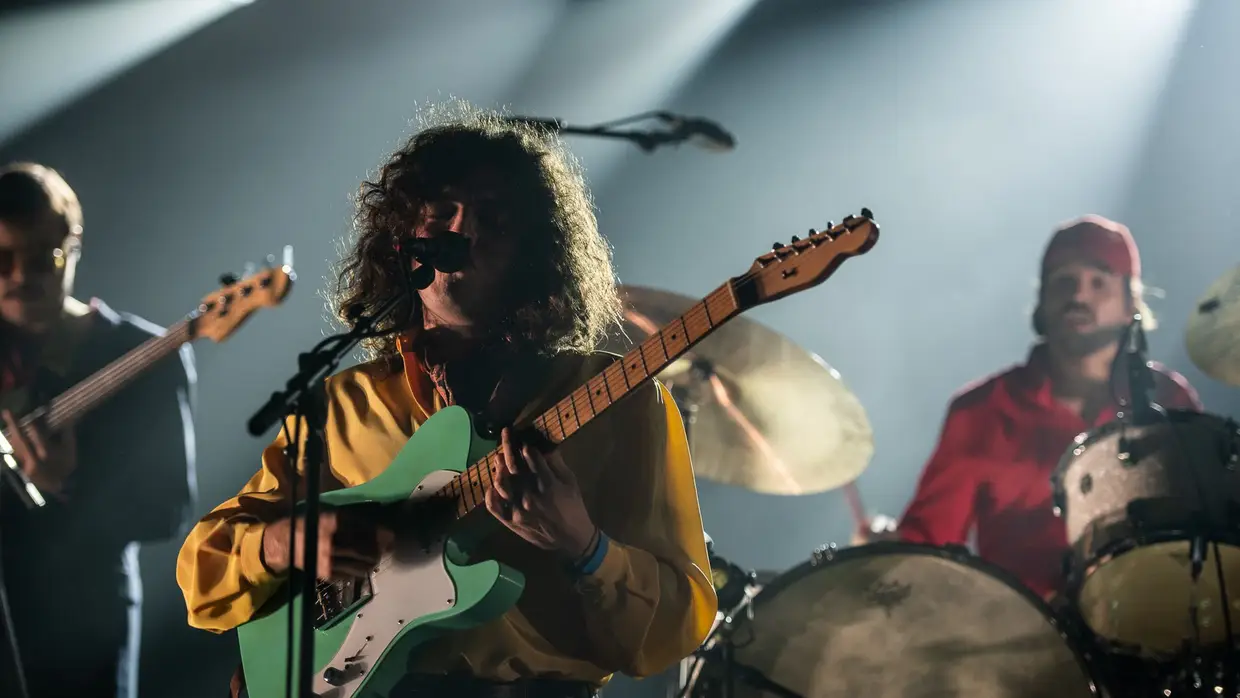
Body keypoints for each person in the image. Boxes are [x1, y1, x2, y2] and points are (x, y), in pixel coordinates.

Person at [175, 102, 717, 698]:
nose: (464, 231)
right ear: (403, 241)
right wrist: (283, 543)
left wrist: (585, 546)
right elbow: (204, 577)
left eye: (494, 218)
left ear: (533, 255)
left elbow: (679, 626)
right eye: (442, 213)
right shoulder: (344, 402)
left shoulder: (620, 398)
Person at [855, 215, 1201, 599]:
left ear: (1130, 304)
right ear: (1041, 300)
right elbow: (930, 546)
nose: (1079, 296)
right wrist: (889, 549)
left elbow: (1206, 530)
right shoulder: (980, 411)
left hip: (1153, 626)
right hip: (1021, 640)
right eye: (1063, 281)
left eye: (1098, 282)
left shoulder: (1167, 399)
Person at [0, 163, 197, 698]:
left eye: (44, 256)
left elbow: (169, 508)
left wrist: (69, 484)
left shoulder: (139, 353)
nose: (23, 276)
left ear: (74, 244)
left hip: (82, 630)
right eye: (3, 259)